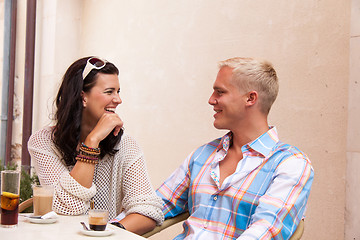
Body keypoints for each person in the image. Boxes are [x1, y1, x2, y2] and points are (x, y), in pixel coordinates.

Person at [156, 57, 314, 239]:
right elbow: (158, 205)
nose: (211, 100)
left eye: (219, 92)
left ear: (250, 98)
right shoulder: (202, 155)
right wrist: (116, 229)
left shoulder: (291, 165)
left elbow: (265, 231)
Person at [28, 56, 164, 235]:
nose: (118, 99)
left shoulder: (127, 145)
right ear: (83, 96)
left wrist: (106, 233)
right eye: (109, 92)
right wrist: (92, 142)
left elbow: (148, 211)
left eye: (118, 91)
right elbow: (69, 208)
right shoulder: (43, 142)